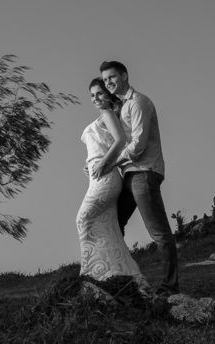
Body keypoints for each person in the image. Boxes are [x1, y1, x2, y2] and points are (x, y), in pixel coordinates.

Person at [101, 60, 178, 296]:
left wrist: (112, 162)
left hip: (144, 172)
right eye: (105, 80)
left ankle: (170, 287)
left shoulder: (139, 102)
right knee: (114, 224)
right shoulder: (120, 107)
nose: (109, 82)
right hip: (129, 174)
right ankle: (124, 277)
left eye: (112, 77)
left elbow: (139, 145)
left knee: (158, 232)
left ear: (124, 76)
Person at [76, 77, 147, 287]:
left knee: (83, 218)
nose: (95, 98)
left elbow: (120, 142)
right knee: (105, 226)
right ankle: (113, 273)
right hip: (97, 176)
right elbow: (100, 146)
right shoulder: (105, 116)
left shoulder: (107, 114)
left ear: (108, 94)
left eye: (99, 93)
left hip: (106, 176)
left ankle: (93, 270)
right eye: (92, 95)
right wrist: (89, 164)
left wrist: (100, 164)